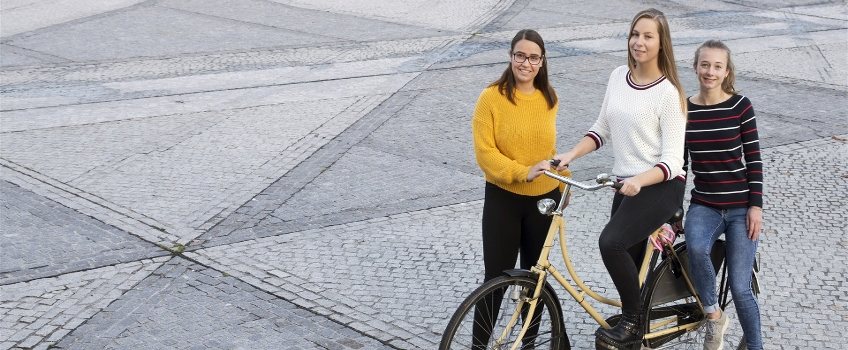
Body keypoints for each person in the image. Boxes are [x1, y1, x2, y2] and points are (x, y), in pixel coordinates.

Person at [552, 8, 687, 350]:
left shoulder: (668, 92)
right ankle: (634, 329)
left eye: (648, 36)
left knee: (610, 242)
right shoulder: (617, 77)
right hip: (626, 185)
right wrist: (568, 155)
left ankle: (633, 321)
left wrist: (641, 180)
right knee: (631, 267)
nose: (639, 42)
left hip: (660, 186)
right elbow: (601, 130)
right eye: (635, 34)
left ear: (661, 44)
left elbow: (672, 160)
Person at [471, 28, 572, 348]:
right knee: (495, 282)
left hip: (543, 200)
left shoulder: (549, 98)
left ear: (542, 61)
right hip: (503, 198)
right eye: (520, 56)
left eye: (533, 57)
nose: (526, 63)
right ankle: (478, 346)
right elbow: (485, 153)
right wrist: (521, 172)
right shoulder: (491, 97)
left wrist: (563, 178)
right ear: (511, 57)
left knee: (534, 284)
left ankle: (528, 344)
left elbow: (545, 150)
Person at [683, 39, 764, 350]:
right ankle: (714, 316)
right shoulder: (685, 109)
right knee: (696, 248)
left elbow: (754, 158)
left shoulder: (740, 106)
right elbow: (682, 164)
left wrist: (755, 207)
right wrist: (675, 210)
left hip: (741, 207)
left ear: (726, 70)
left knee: (741, 289)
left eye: (717, 66)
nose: (710, 71)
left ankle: (755, 346)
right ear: (695, 67)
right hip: (704, 204)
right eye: (705, 64)